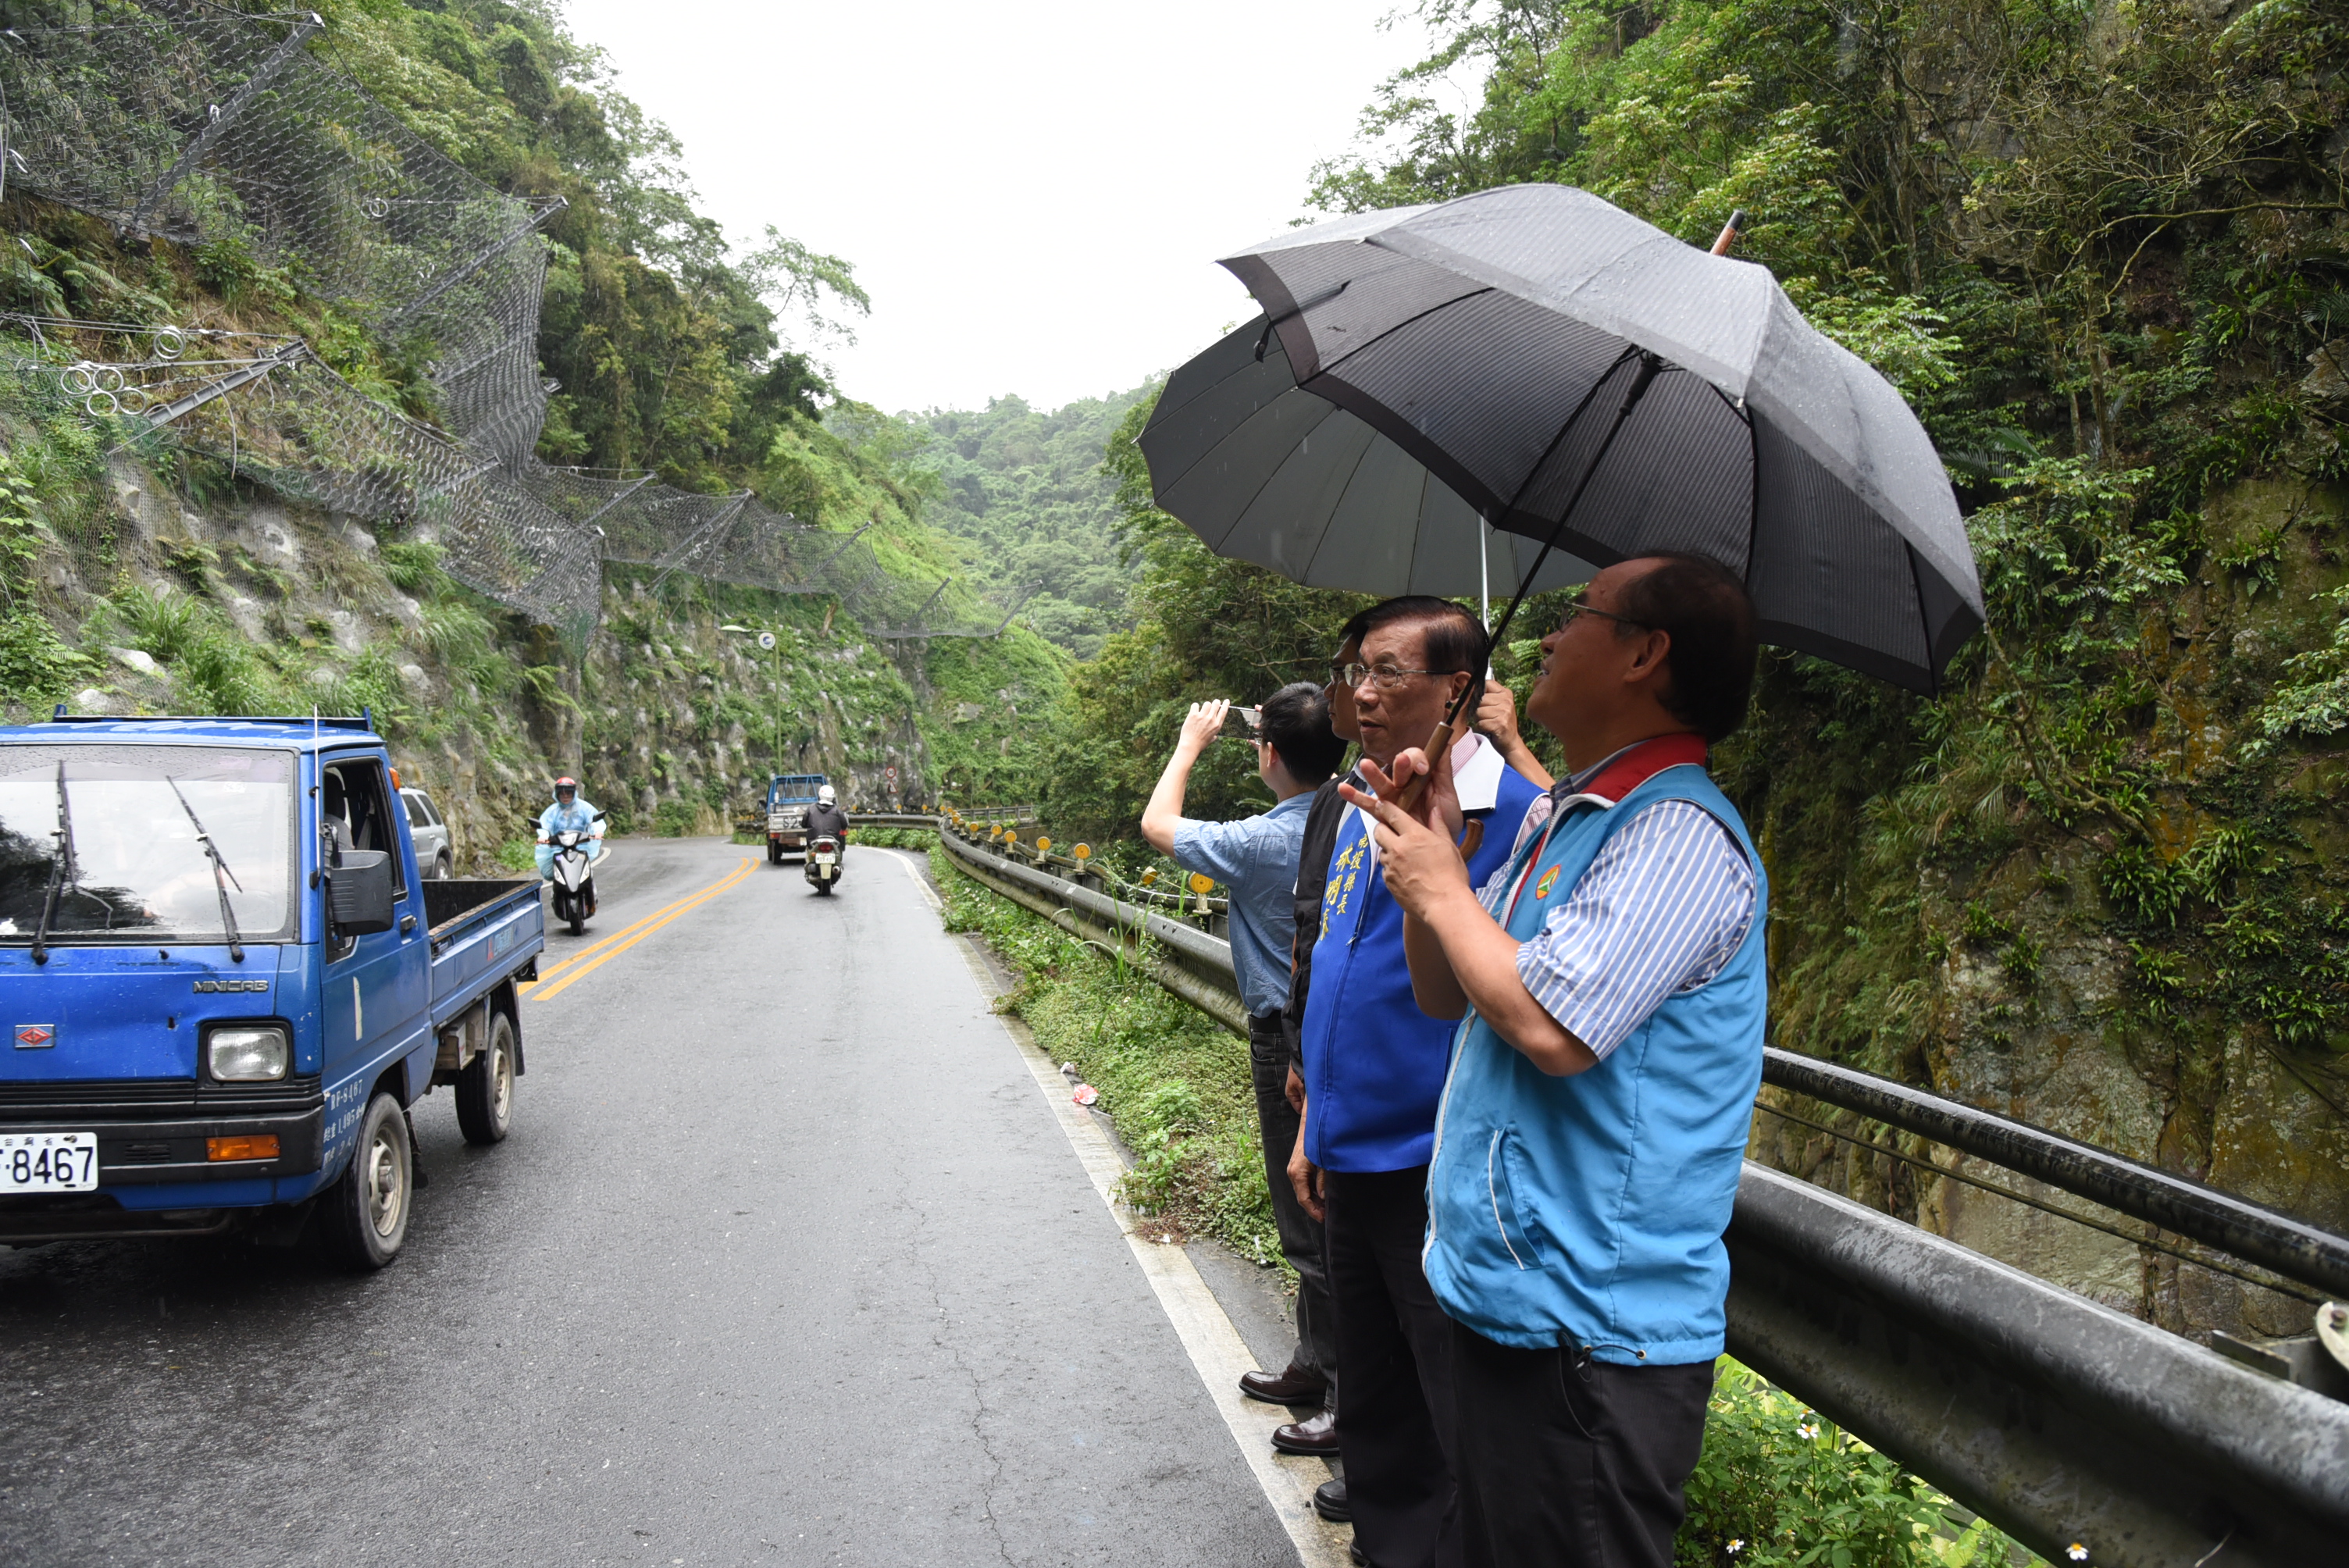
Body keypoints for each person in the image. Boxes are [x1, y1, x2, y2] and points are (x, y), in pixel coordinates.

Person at [1347, 554, 1767, 1568]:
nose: (1548, 635)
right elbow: (1451, 992)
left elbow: (1550, 1027)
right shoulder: (1569, 817)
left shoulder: (1676, 832)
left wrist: (1444, 888)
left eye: (1581, 613)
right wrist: (1428, 847)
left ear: (1644, 653)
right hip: (1508, 1298)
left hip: (1589, 1329)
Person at [1290, 595, 1543, 1568]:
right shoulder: (1360, 801)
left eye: (1387, 672)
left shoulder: (1517, 819)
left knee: (1451, 1402)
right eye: (1356, 669)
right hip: (1351, 1148)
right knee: (1376, 1396)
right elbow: (1338, 964)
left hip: (1439, 1163)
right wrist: (1315, 1122)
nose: (1360, 691)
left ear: (1455, 690)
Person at [1140, 685, 1349, 1441]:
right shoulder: (1355, 817)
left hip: (1286, 1039)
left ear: (1268, 754)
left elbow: (1156, 823)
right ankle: (1315, 1361)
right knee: (1327, 1204)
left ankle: (1344, 1396)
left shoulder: (1259, 842)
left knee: (1309, 1213)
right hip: (1335, 1029)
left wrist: (1189, 743)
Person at [534, 775, 605, 882]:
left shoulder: (584, 808)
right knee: (551, 873)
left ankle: (590, 888)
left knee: (587, 873)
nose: (565, 796)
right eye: (562, 794)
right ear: (557, 795)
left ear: (574, 793)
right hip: (558, 848)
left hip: (581, 847)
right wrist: (543, 837)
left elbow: (593, 822)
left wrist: (598, 831)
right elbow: (545, 827)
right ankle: (557, 887)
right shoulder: (552, 811)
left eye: (568, 793)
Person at [801, 784, 850, 856]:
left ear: (820, 795)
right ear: (832, 797)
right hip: (834, 840)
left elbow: (804, 824)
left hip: (813, 841)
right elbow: (844, 825)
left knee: (810, 855)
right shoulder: (837, 810)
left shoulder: (811, 808)